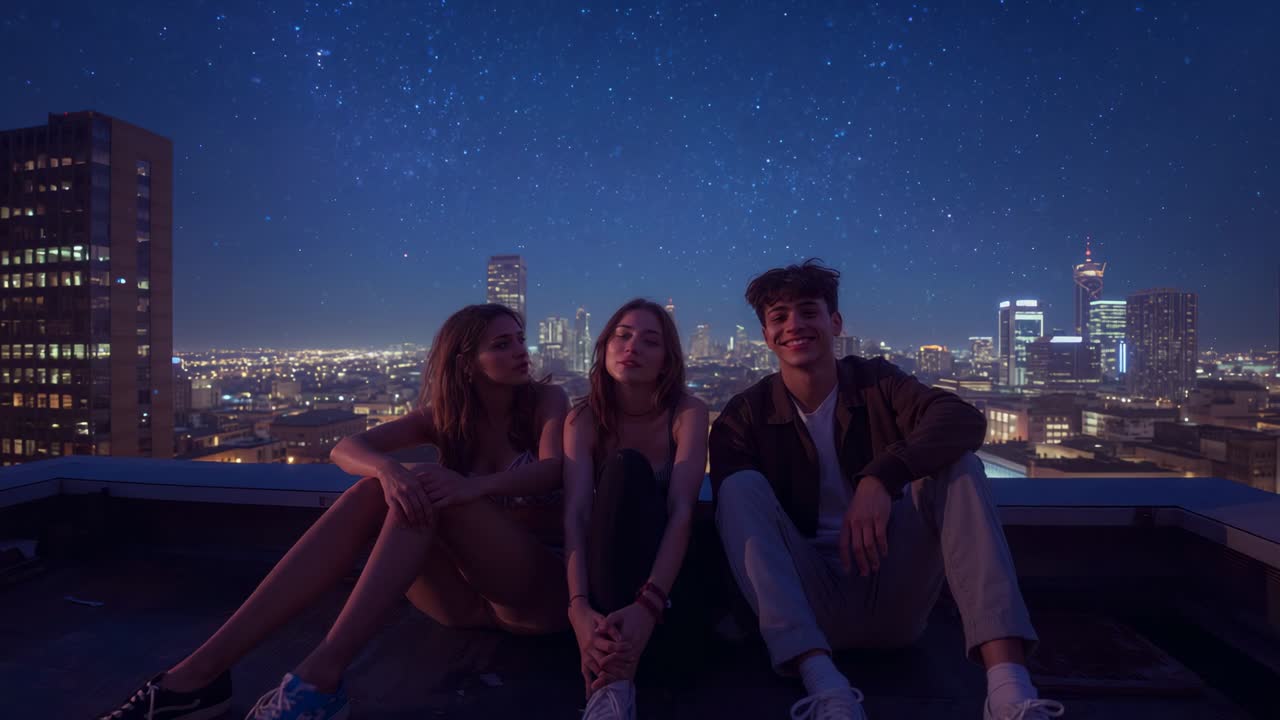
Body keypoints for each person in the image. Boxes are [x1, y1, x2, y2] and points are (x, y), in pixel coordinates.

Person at [96, 304, 570, 720]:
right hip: (463, 605)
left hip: (533, 597)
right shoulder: (444, 417)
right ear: (466, 363)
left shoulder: (546, 401)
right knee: (375, 488)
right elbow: (347, 448)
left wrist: (470, 486)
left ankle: (319, 677)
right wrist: (387, 471)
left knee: (426, 485)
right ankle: (196, 676)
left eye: (519, 341)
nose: (520, 352)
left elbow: (551, 472)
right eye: (502, 344)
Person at [709, 261, 1065, 720]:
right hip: (803, 609)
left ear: (835, 323)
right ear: (766, 335)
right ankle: (823, 685)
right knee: (738, 488)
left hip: (892, 590)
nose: (794, 325)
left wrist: (881, 477)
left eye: (807, 312)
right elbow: (738, 516)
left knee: (960, 465)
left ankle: (1009, 690)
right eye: (779, 317)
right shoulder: (745, 413)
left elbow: (961, 420)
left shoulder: (876, 382)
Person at [562, 299, 710, 720]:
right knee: (622, 471)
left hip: (668, 584)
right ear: (604, 345)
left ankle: (611, 685)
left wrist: (649, 604)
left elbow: (682, 510)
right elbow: (576, 514)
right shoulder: (583, 419)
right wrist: (577, 608)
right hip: (606, 585)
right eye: (622, 336)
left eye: (650, 341)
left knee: (627, 466)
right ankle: (613, 687)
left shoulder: (687, 412)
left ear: (667, 360)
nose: (632, 347)